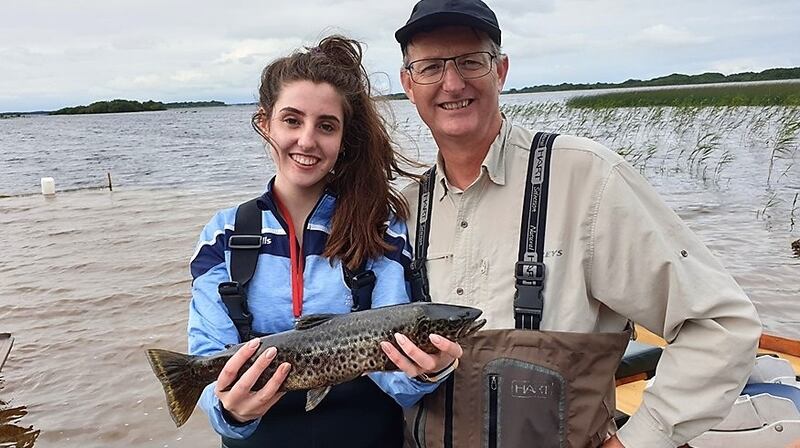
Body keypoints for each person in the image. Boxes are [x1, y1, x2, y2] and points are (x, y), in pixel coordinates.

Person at [384, 1, 764, 447]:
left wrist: (640, 439)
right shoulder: (404, 209)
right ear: (409, 85)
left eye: (471, 61)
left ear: (501, 71)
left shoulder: (588, 179)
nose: (452, 83)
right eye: (430, 67)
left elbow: (721, 324)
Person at [187, 35, 459, 447]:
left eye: (326, 126)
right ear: (265, 123)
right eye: (292, 120)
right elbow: (209, 361)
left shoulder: (379, 228)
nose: (307, 140)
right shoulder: (224, 235)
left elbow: (400, 386)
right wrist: (230, 411)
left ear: (343, 138)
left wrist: (428, 370)